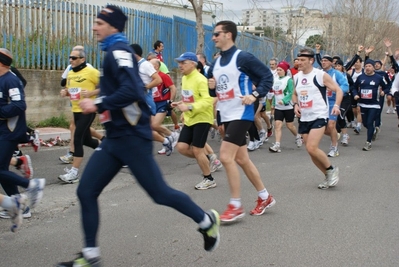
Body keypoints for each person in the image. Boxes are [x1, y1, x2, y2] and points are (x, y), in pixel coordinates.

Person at [56, 6, 220, 266]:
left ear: (113, 26)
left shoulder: (119, 51)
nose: (94, 27)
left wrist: (97, 104)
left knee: (159, 193)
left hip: (132, 138)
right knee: (86, 191)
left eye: (99, 23)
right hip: (115, 139)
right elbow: (120, 89)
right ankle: (90, 256)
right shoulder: (113, 50)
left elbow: (131, 90)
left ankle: (206, 221)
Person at [207, 20, 275, 222]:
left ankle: (235, 205)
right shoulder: (216, 63)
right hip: (227, 114)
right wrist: (212, 86)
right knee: (241, 159)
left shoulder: (242, 57)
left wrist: (255, 95)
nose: (213, 37)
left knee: (226, 157)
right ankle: (265, 196)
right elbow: (216, 91)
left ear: (228, 34)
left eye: (217, 34)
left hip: (242, 113)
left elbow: (266, 77)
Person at [0, 48, 46, 219]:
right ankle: (20, 207)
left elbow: (19, 105)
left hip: (10, 131)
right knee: (2, 171)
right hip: (2, 131)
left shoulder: (11, 80)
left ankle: (31, 184)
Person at [292, 48, 342, 189]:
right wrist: (296, 104)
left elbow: (338, 90)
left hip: (319, 115)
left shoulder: (320, 75)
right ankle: (328, 175)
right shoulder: (296, 77)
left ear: (311, 60)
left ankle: (332, 169)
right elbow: (294, 94)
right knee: (310, 151)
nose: (299, 62)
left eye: (302, 60)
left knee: (312, 147)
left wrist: (337, 105)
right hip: (304, 117)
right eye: (298, 60)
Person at [173, 52, 216, 189]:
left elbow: (207, 100)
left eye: (183, 63)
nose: (180, 66)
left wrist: (189, 107)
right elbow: (190, 97)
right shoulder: (185, 78)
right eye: (179, 63)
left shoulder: (201, 79)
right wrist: (180, 103)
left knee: (198, 150)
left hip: (202, 118)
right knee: (181, 147)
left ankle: (209, 178)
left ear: (193, 64)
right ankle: (209, 159)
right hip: (190, 118)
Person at [58, 48, 101, 183]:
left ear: (82, 59)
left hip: (88, 111)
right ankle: (110, 151)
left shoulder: (92, 72)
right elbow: (73, 92)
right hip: (76, 110)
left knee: (77, 139)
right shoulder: (70, 73)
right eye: (70, 58)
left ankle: (74, 173)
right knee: (87, 140)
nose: (71, 60)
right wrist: (66, 93)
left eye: (74, 58)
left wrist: (91, 94)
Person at [352, 59, 389, 150]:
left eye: (370, 66)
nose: (367, 68)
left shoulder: (378, 78)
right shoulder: (361, 77)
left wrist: (384, 91)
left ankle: (368, 142)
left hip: (374, 104)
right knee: (365, 124)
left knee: (369, 122)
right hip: (363, 104)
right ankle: (374, 131)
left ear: (373, 68)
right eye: (366, 66)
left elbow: (387, 86)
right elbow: (353, 87)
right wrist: (355, 94)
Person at [269, 61, 302, 153]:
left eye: (280, 70)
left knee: (289, 125)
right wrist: (274, 103)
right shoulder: (275, 79)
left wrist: (284, 100)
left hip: (288, 107)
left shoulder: (289, 80)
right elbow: (276, 93)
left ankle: (297, 137)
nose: (278, 71)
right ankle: (277, 144)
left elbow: (292, 93)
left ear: (284, 70)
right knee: (277, 125)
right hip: (279, 107)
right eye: (277, 70)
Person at [320, 55, 349, 157]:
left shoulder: (337, 74)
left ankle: (334, 148)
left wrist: (334, 89)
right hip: (321, 103)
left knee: (331, 125)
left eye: (326, 61)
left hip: (333, 102)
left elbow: (345, 86)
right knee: (322, 127)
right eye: (322, 61)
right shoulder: (319, 74)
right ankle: (335, 134)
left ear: (331, 63)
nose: (323, 62)